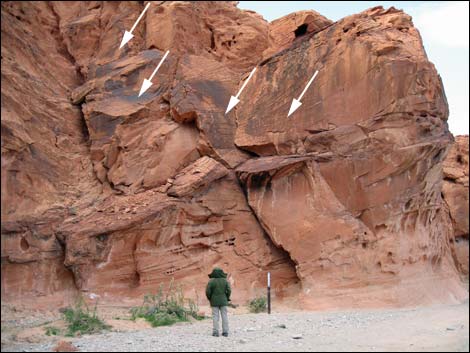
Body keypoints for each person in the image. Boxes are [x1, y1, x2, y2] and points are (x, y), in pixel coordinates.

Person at [206, 267, 231, 337]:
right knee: (224, 316)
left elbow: (207, 292)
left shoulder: (211, 281)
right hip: (224, 301)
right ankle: (225, 332)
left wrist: (210, 298)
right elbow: (229, 290)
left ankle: (215, 332)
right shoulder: (225, 281)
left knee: (215, 317)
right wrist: (227, 297)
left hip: (214, 301)